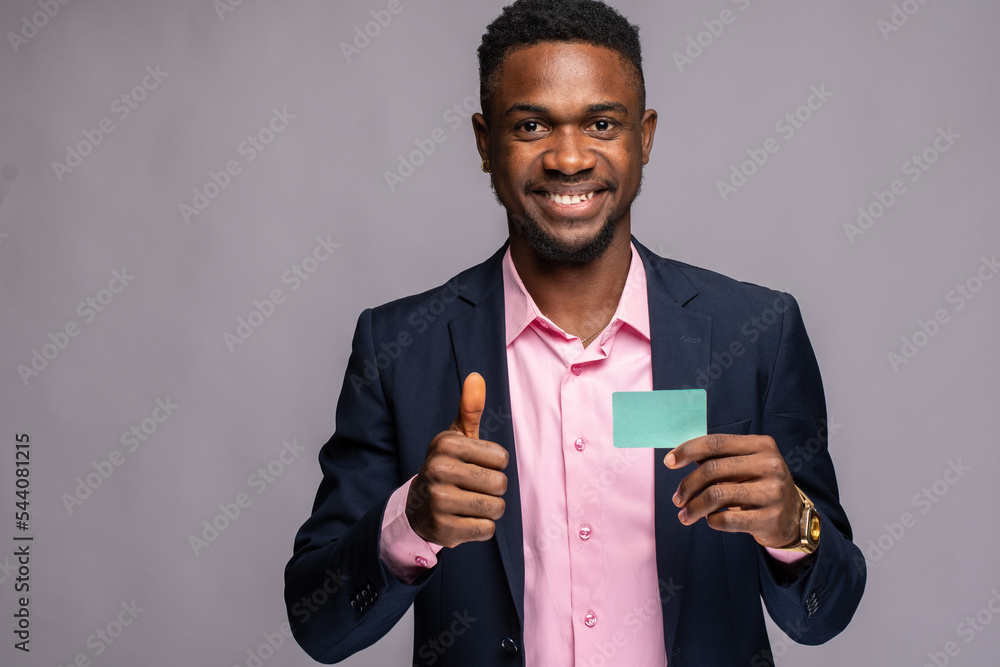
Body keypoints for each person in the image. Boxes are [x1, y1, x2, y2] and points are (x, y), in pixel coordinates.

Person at [284, 1, 866, 664]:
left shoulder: (757, 334)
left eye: (601, 122)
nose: (567, 157)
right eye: (531, 124)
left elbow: (827, 612)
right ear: (484, 142)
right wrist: (408, 524)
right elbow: (318, 625)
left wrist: (797, 526)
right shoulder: (399, 348)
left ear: (644, 137)